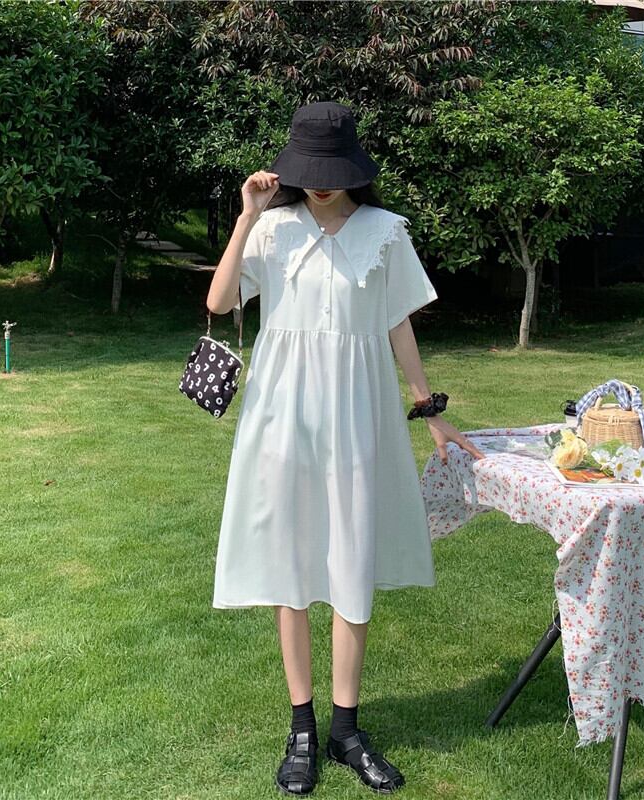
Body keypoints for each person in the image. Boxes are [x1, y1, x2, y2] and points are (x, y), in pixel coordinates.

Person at [207, 101, 484, 796]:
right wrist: (244, 217)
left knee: (352, 560)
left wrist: (429, 409)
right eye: (311, 171)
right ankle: (301, 727)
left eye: (332, 171)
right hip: (281, 414)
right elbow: (219, 302)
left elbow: (398, 325)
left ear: (354, 167)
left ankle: (346, 729)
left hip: (359, 414)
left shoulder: (386, 233)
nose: (322, 183)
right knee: (290, 562)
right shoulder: (271, 230)